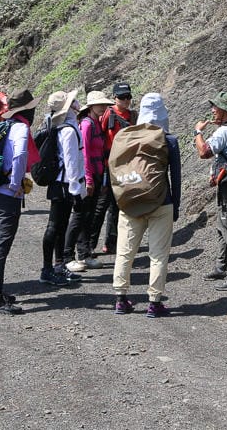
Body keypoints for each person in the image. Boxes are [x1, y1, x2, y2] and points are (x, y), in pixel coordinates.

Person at [110, 93, 182, 317]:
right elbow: (176, 176)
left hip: (129, 201)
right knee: (158, 254)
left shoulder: (124, 136)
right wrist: (176, 206)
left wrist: (120, 198)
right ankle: (154, 302)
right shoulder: (169, 140)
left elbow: (113, 168)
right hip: (161, 202)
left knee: (125, 252)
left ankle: (120, 299)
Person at [0, 88, 39, 315]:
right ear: (26, 110)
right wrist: (15, 184)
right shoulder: (21, 128)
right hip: (7, 193)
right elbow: (20, 155)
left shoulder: (3, 125)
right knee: (1, 243)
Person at [194, 91, 227, 291]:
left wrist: (197, 132)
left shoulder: (225, 131)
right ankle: (221, 266)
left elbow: (204, 152)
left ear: (225, 110)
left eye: (215, 107)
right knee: (222, 224)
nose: (212, 110)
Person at [39, 90, 85, 286]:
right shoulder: (68, 130)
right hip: (64, 184)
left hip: (61, 183)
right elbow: (71, 162)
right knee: (54, 226)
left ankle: (58, 266)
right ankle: (47, 269)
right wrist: (76, 191)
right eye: (73, 101)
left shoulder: (62, 126)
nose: (77, 103)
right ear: (69, 107)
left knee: (60, 226)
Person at [66, 90, 113, 273]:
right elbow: (84, 154)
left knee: (88, 217)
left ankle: (84, 254)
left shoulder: (96, 123)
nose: (103, 107)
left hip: (97, 175)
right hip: (89, 177)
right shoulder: (87, 124)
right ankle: (68, 256)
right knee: (79, 217)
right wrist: (88, 180)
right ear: (91, 106)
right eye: (100, 104)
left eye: (104, 104)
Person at [91, 82, 136, 255]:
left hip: (125, 165)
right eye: (122, 97)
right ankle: (89, 245)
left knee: (118, 206)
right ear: (114, 98)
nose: (126, 100)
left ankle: (111, 243)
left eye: (128, 97)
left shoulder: (133, 116)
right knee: (101, 205)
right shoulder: (107, 114)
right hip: (108, 165)